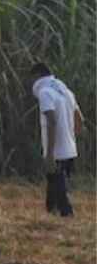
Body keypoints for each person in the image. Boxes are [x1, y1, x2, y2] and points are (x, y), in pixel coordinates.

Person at [30, 63, 83, 217]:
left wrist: (50, 154)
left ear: (37, 76)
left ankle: (67, 215)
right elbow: (80, 119)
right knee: (53, 182)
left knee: (60, 189)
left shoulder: (45, 93)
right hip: (70, 149)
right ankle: (50, 213)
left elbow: (51, 121)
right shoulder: (65, 91)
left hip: (57, 151)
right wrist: (71, 138)